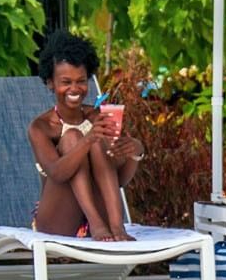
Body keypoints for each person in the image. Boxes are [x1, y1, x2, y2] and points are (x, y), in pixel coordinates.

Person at [27, 30, 144, 242]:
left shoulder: (98, 116)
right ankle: (97, 225)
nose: (74, 88)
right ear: (50, 82)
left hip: (103, 217)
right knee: (73, 137)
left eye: (81, 81)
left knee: (97, 143)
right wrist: (88, 138)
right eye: (65, 82)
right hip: (57, 220)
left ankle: (117, 226)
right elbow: (56, 173)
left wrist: (134, 150)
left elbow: (119, 180)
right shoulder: (41, 127)